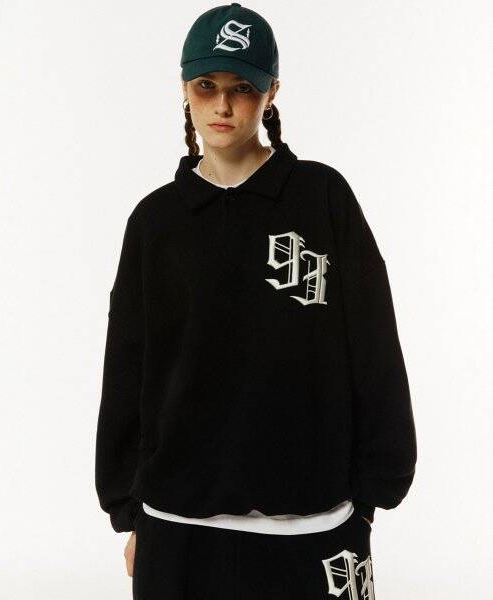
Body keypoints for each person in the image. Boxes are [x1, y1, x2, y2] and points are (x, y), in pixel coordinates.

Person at [94, 3, 417, 599]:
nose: (222, 105)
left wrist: (372, 497)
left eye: (242, 88)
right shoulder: (156, 221)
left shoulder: (322, 198)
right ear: (185, 90)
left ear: (271, 94)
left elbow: (373, 345)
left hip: (315, 529)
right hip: (177, 529)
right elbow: (128, 370)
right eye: (206, 86)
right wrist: (130, 513)